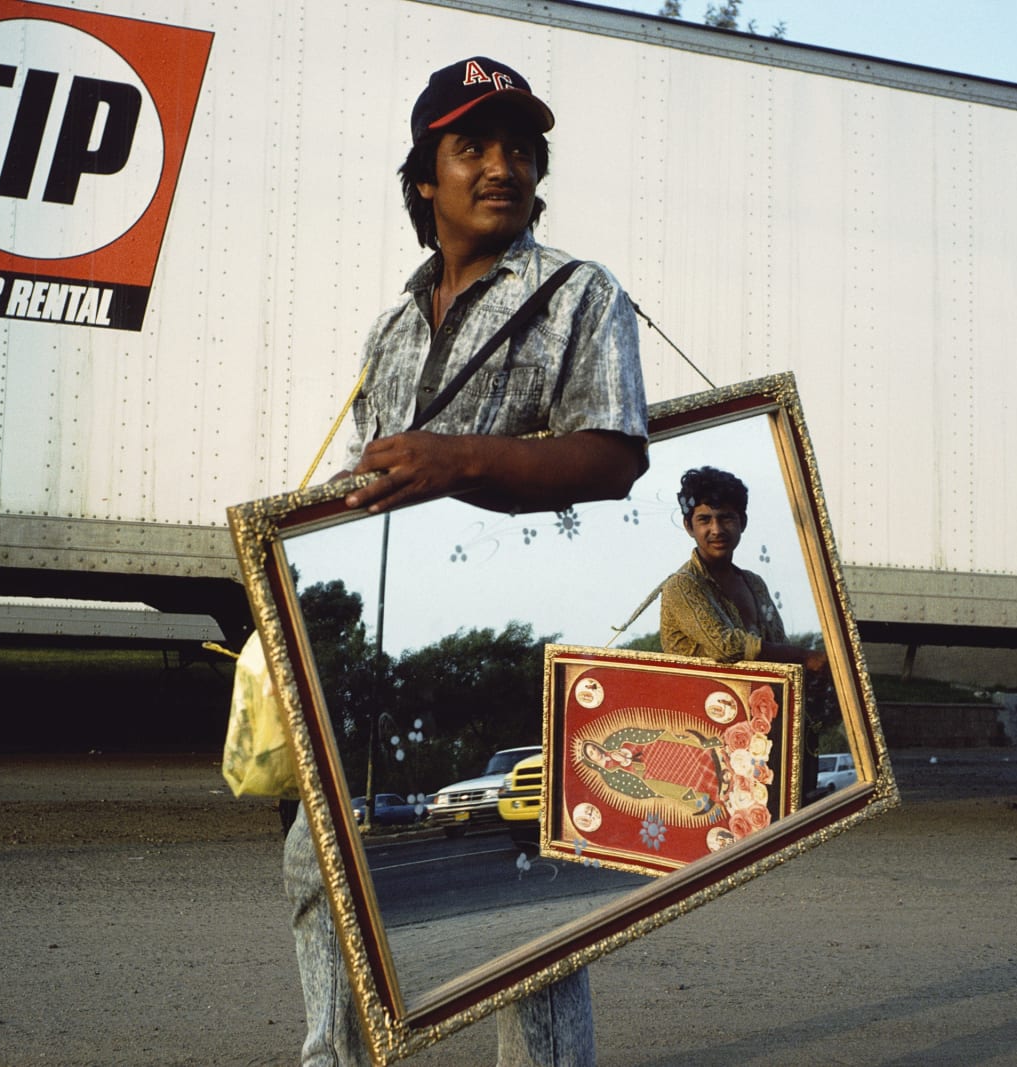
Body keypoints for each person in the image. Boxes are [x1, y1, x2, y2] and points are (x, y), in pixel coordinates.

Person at [283, 57, 649, 1066]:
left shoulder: (581, 294)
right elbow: (370, 496)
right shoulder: (389, 328)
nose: (503, 165)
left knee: (530, 909)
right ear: (423, 178)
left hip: (532, 637)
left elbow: (614, 456)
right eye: (473, 145)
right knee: (320, 860)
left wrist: (457, 460)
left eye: (522, 148)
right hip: (394, 647)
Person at [659, 467, 826, 672]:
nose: (717, 530)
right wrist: (804, 656)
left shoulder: (754, 583)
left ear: (743, 523)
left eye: (726, 518)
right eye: (705, 520)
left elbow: (779, 641)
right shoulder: (681, 585)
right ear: (689, 526)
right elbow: (728, 647)